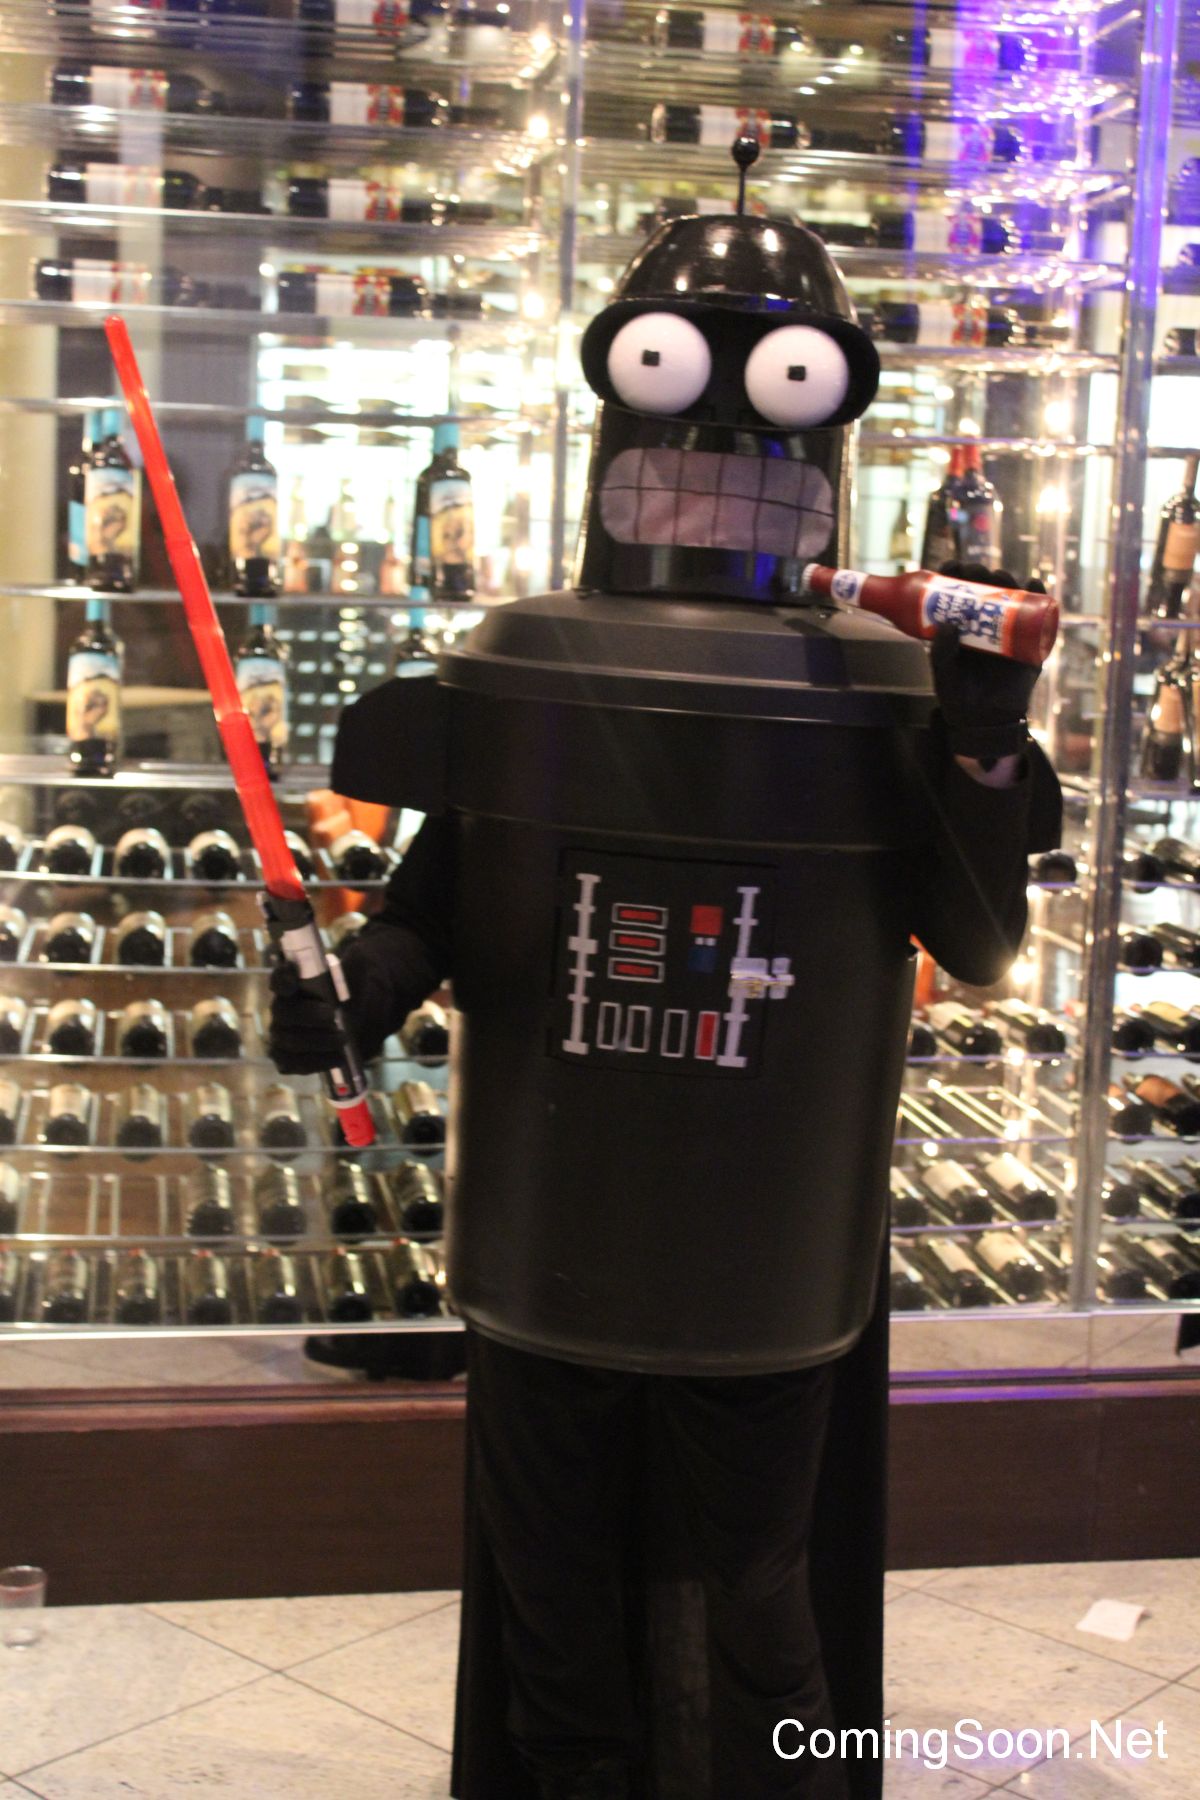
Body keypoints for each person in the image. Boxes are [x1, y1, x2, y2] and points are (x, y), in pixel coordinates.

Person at [268, 155, 1061, 1800]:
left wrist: (983, 748)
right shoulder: (533, 664)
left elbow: (981, 943)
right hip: (550, 1235)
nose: (708, 456)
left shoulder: (881, 692)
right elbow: (443, 904)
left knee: (762, 1592)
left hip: (767, 1254)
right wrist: (353, 988)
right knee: (551, 1595)